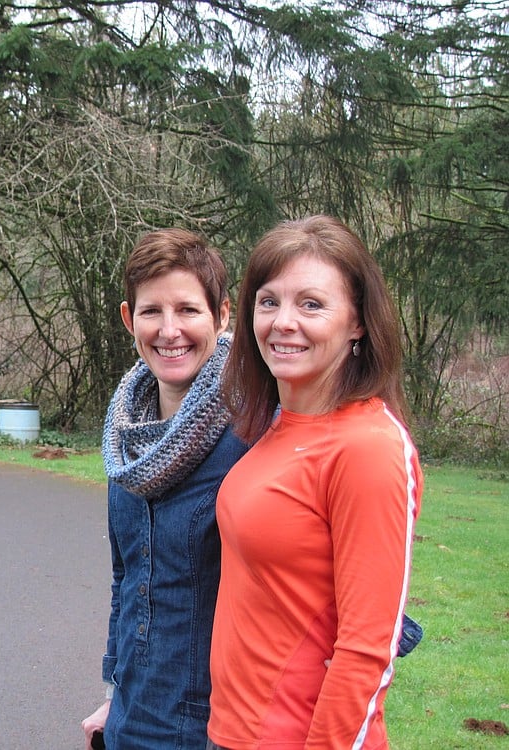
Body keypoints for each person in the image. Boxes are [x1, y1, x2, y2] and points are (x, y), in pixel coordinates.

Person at [207, 215, 424, 749]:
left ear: (358, 323)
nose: (284, 321)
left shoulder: (367, 447)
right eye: (269, 301)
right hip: (230, 731)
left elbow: (367, 652)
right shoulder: (274, 427)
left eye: (311, 304)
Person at [81, 228, 248, 749]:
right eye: (152, 311)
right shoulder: (124, 442)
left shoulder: (255, 435)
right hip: (131, 718)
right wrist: (114, 693)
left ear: (222, 315)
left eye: (188, 310)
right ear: (130, 319)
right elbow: (126, 580)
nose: (169, 330)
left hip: (212, 730)